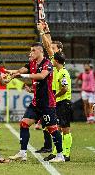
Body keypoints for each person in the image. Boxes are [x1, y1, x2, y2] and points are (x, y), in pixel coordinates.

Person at [8, 43, 65, 162]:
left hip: (47, 103)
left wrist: (21, 75)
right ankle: (23, 153)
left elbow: (42, 76)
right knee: (24, 123)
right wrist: (10, 73)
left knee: (52, 129)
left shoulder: (47, 64)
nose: (31, 53)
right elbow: (20, 70)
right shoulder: (32, 63)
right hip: (36, 103)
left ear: (40, 51)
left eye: (33, 50)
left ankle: (60, 155)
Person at [33, 21, 65, 155]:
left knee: (55, 125)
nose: (50, 48)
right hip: (50, 93)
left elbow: (47, 45)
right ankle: (49, 146)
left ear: (59, 50)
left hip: (55, 95)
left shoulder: (55, 59)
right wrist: (47, 30)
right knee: (48, 122)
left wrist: (41, 31)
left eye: (54, 48)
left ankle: (59, 150)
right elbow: (49, 42)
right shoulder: (55, 59)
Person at [47, 52, 73, 161]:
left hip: (64, 103)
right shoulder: (58, 71)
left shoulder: (63, 73)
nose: (52, 61)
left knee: (65, 128)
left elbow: (65, 88)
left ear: (56, 61)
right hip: (59, 103)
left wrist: (54, 96)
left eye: (53, 60)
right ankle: (58, 151)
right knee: (59, 128)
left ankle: (66, 153)